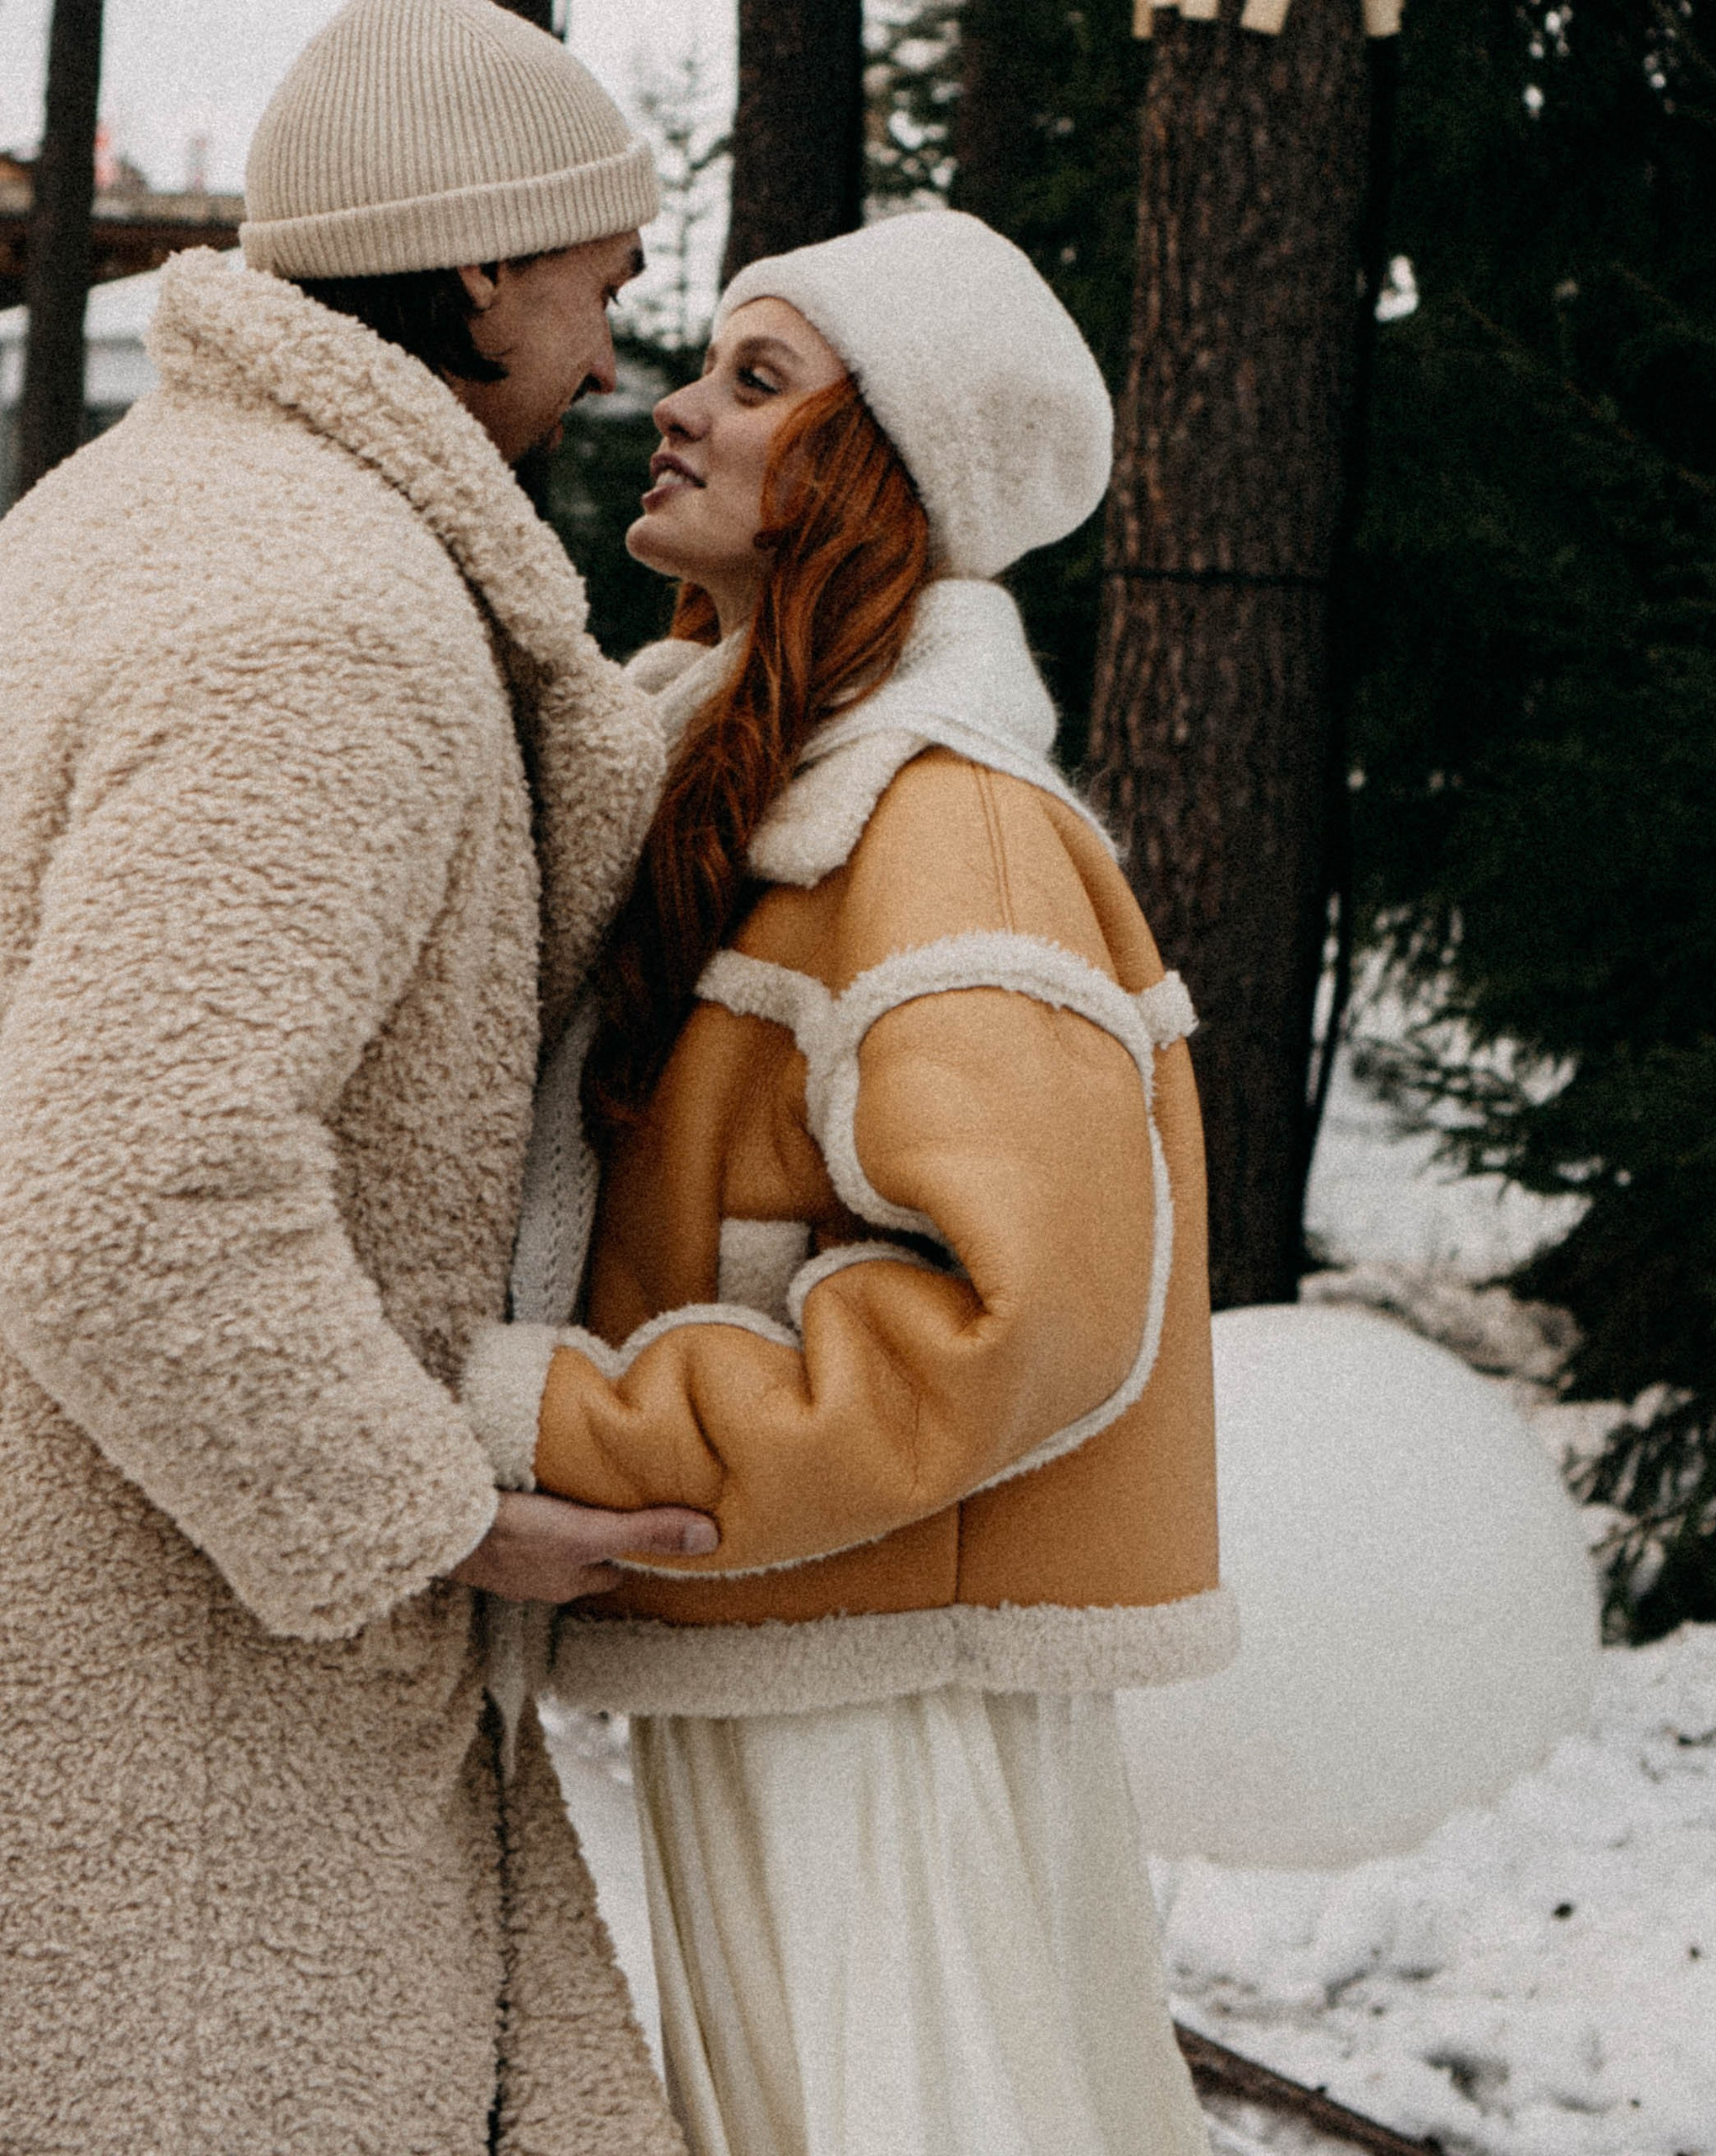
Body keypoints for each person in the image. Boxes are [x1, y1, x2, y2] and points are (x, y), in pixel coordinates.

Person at [0, 0, 712, 2156]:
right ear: (485, 262)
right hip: (192, 1717)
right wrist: (430, 1518)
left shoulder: (127, 519)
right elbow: (130, 1185)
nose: (614, 355)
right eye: (600, 284)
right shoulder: (326, 616)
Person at [463, 209, 1234, 2156]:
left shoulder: (943, 827)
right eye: (700, 362)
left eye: (756, 378)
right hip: (800, 1645)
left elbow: (1023, 1310)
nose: (673, 411)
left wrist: (578, 1424)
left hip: (884, 1692)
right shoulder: (775, 788)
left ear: (880, 469)